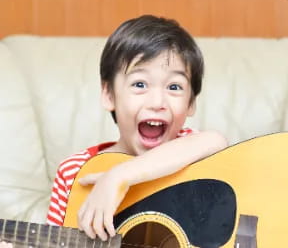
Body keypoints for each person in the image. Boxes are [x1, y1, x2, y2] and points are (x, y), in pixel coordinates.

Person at [42, 15, 228, 240]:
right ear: (109, 94)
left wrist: (118, 176)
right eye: (140, 84)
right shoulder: (75, 171)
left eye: (174, 86)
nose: (157, 102)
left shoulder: (192, 152)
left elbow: (215, 140)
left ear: (191, 104)